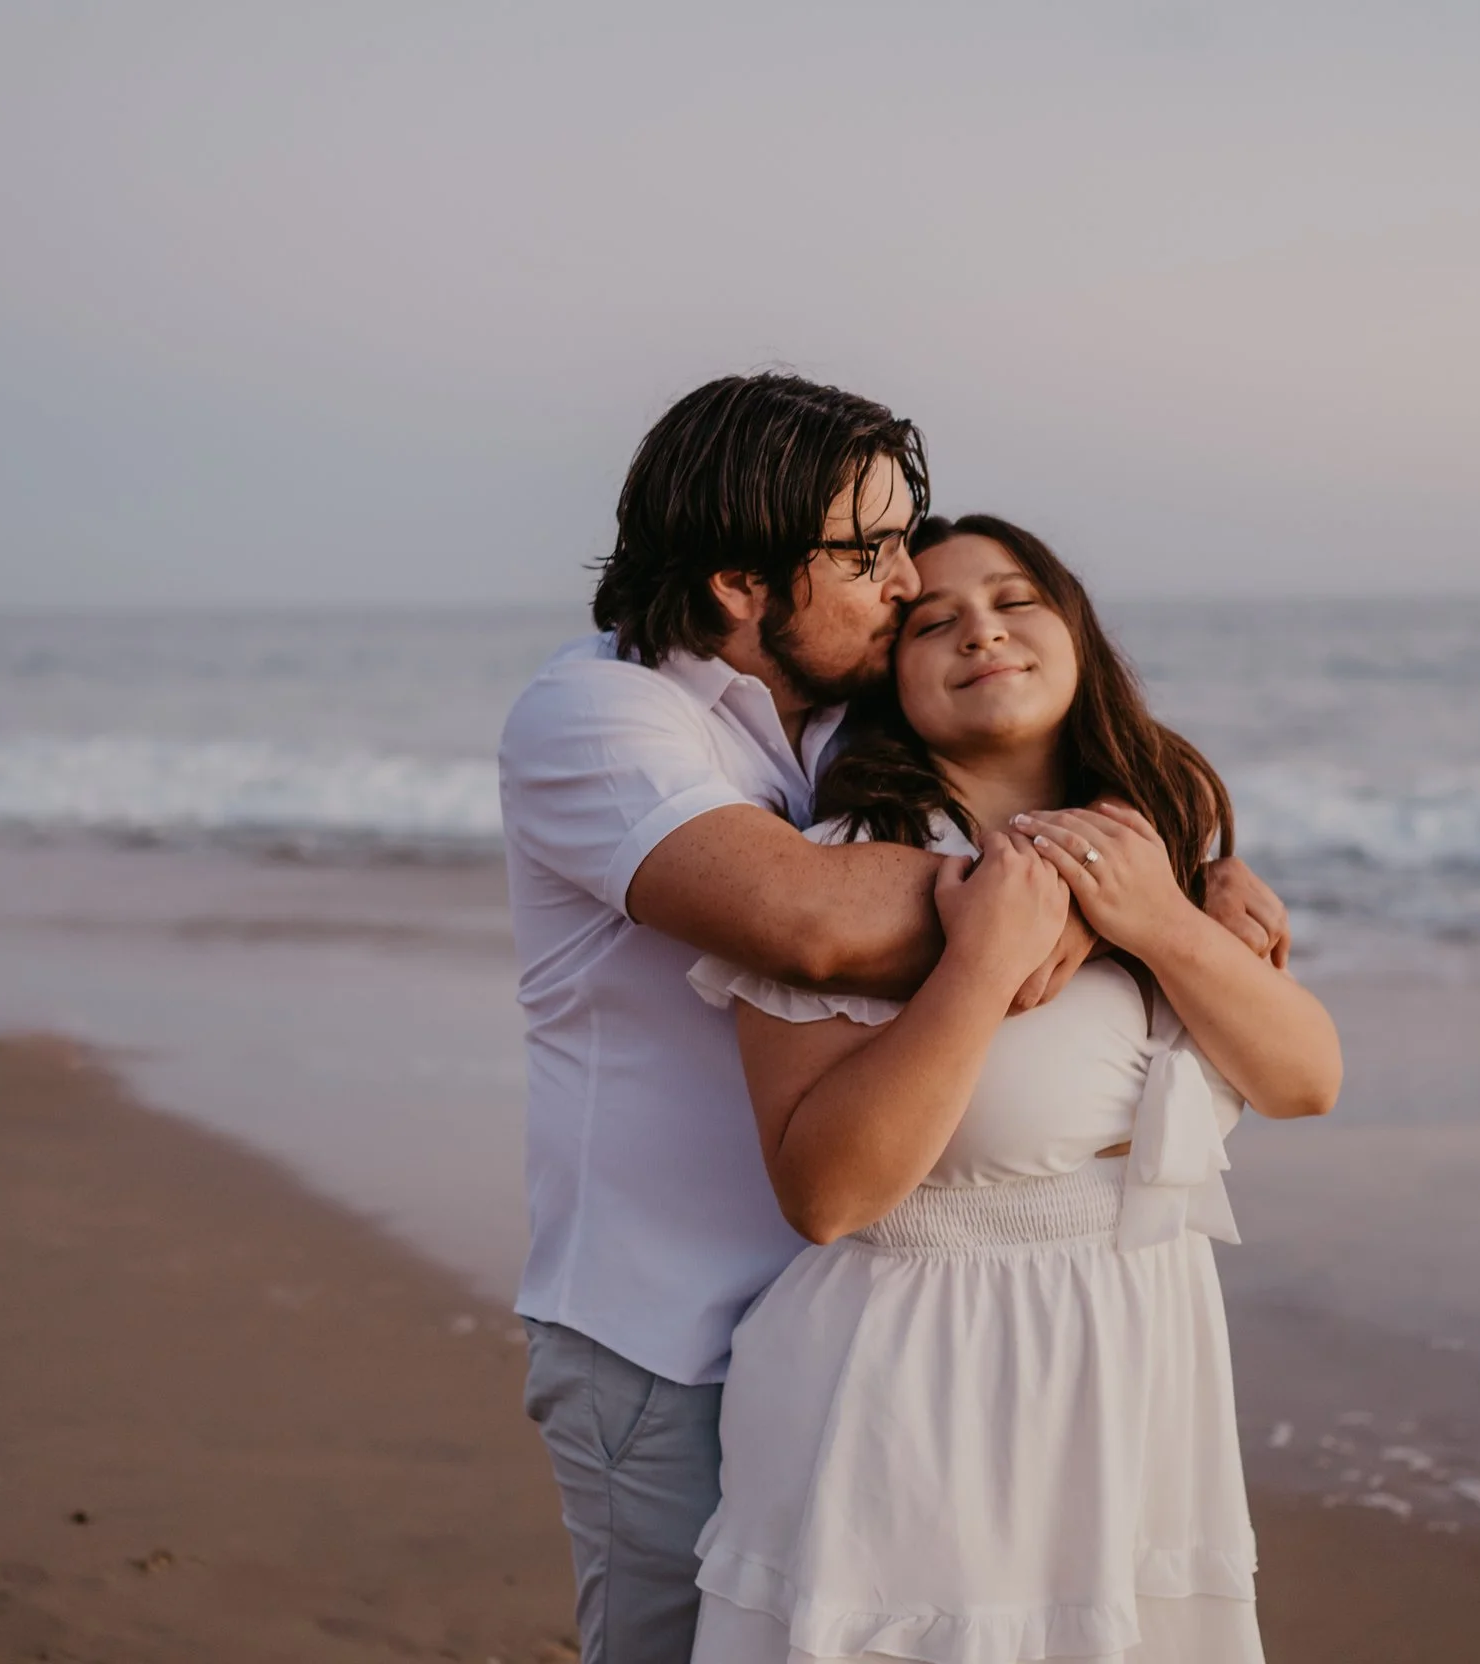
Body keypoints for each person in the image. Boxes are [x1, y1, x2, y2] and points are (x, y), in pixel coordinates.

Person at [498, 375, 1293, 1664]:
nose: (902, 571)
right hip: (667, 1329)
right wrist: (1105, 897)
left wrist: (1175, 887)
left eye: (898, 531)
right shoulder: (598, 717)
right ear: (737, 586)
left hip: (863, 1318)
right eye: (862, 550)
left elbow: (968, 821)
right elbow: (810, 915)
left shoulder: (837, 723)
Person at [684, 514, 1342, 1664]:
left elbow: (1306, 1082)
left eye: (1015, 598)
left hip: (1141, 1357)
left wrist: (1158, 920)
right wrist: (983, 962)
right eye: (931, 619)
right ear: (890, 673)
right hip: (925, 1383)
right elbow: (826, 1192)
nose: (980, 630)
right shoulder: (847, 871)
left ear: (1076, 628)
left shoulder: (1160, 855)